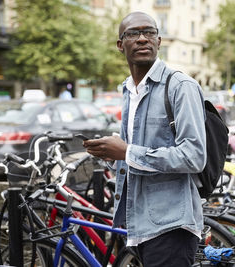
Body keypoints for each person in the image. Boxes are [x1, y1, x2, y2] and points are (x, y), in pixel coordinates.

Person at [83, 11, 206, 267]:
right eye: (133, 34)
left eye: (149, 32)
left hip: (172, 226)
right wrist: (111, 154)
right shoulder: (129, 89)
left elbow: (194, 156)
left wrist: (126, 152)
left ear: (159, 42)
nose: (142, 39)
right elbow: (134, 155)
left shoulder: (180, 86)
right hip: (138, 224)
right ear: (120, 45)